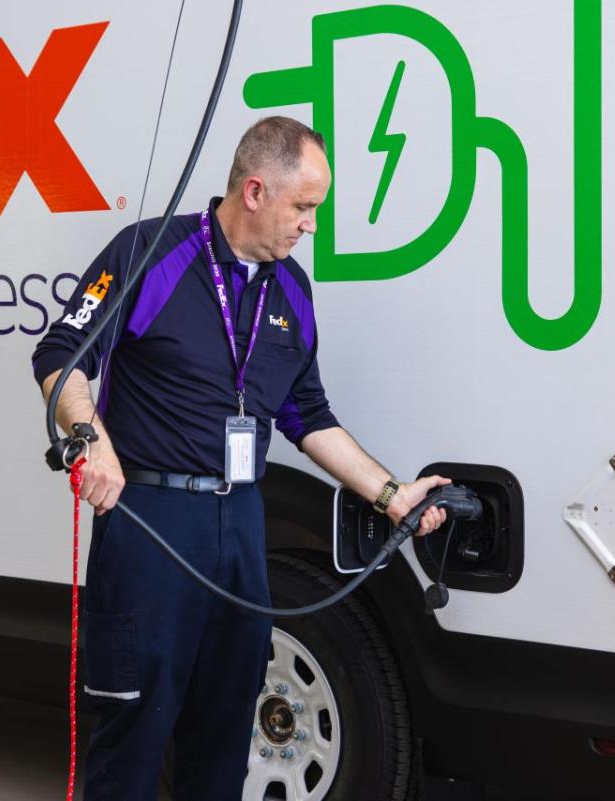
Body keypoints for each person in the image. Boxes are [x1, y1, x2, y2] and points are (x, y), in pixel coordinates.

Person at [32, 115, 449, 801]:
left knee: (226, 733)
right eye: (304, 207)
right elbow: (62, 358)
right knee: (133, 733)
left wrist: (391, 493)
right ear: (255, 190)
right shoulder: (150, 252)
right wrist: (89, 439)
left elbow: (308, 415)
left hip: (241, 528)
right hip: (151, 524)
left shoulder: (292, 292)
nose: (311, 226)